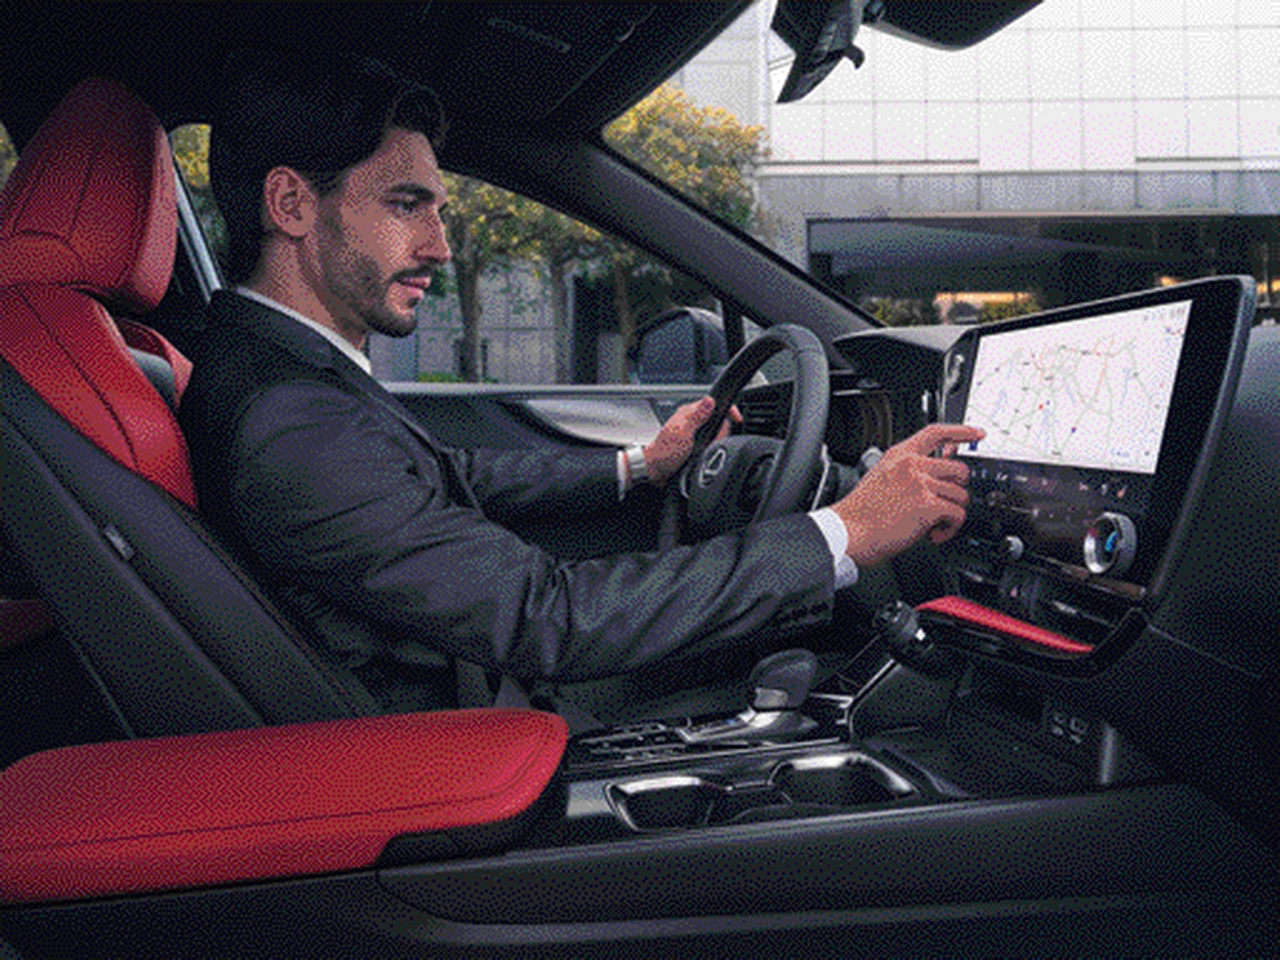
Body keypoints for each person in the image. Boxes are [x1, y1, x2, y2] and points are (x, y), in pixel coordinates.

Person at [178, 49, 983, 721]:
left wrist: (642, 465)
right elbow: (548, 616)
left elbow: (443, 478)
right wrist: (845, 529)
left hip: (472, 690)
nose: (440, 245)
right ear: (291, 204)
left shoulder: (276, 367)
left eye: (438, 210)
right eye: (406, 205)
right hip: (463, 739)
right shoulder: (292, 420)